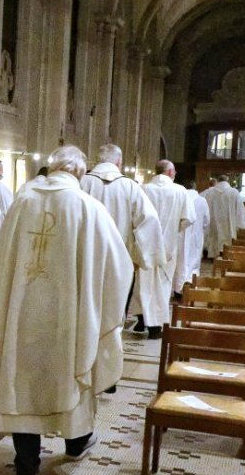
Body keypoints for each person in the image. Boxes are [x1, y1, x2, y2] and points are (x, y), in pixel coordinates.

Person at [0, 145, 133, 475]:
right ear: (77, 173)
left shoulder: (23, 203)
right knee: (71, 373)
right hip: (68, 319)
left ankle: (25, 466)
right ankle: (75, 444)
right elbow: (120, 267)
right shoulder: (88, 208)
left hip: (20, 315)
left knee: (22, 384)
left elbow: (0, 263)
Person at [79, 143, 163, 333]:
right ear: (119, 162)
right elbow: (149, 220)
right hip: (120, 255)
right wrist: (145, 256)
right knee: (116, 299)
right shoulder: (129, 186)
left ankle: (86, 334)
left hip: (85, 253)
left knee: (86, 297)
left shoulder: (82, 183)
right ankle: (112, 334)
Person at [134, 161, 194, 338]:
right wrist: (174, 230)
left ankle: (141, 320)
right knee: (162, 283)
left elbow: (135, 216)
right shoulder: (180, 191)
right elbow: (189, 218)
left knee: (142, 281)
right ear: (169, 172)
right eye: (174, 171)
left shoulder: (143, 189)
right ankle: (156, 327)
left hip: (144, 243)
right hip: (167, 245)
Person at [174, 181, 210, 294]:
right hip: (196, 236)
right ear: (195, 188)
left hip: (179, 234)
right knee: (193, 263)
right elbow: (206, 220)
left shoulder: (179, 198)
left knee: (179, 263)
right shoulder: (202, 200)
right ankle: (190, 289)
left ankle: (177, 289)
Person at [203, 173, 245, 259]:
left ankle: (214, 258)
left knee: (214, 238)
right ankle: (226, 258)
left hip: (213, 221)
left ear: (218, 181)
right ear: (227, 181)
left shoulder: (210, 192)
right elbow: (239, 210)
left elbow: (204, 207)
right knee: (227, 239)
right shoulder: (234, 193)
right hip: (228, 223)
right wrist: (241, 224)